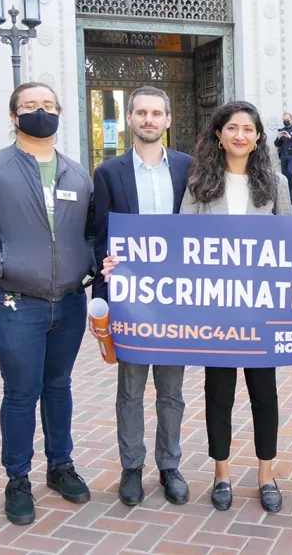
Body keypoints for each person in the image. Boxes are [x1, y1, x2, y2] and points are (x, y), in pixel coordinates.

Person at [102, 101, 292, 513]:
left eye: (248, 130)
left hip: (261, 314)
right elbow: (177, 246)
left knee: (264, 395)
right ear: (219, 134)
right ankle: (222, 474)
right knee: (219, 394)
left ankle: (267, 475)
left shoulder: (275, 185)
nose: (240, 136)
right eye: (232, 128)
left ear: (258, 138)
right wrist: (125, 265)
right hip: (215, 314)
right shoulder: (199, 182)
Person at [0, 82, 96, 526]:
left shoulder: (78, 174)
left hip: (69, 303)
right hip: (13, 303)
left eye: (49, 106)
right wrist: (4, 264)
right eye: (31, 106)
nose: (42, 111)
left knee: (59, 387)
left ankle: (60, 466)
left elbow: (91, 233)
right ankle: (17, 478)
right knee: (21, 393)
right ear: (14, 116)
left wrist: (86, 265)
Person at [91, 86, 193, 506]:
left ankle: (169, 465)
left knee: (172, 390)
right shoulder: (109, 173)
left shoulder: (188, 168)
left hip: (175, 300)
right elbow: (98, 236)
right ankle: (131, 466)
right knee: (130, 391)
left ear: (168, 120)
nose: (149, 120)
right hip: (131, 299)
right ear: (130, 119)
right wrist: (104, 275)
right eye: (142, 113)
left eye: (157, 113)